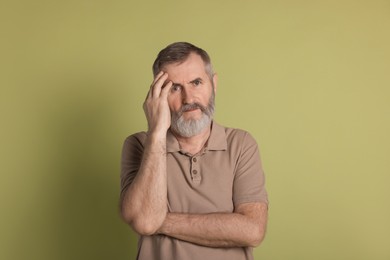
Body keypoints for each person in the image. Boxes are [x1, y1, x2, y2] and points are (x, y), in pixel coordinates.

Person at [120, 42, 268, 260]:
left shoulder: (241, 144)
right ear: (157, 95)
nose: (188, 99)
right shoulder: (140, 145)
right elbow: (144, 221)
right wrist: (157, 133)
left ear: (214, 84)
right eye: (175, 88)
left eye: (196, 82)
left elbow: (252, 231)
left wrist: (160, 221)